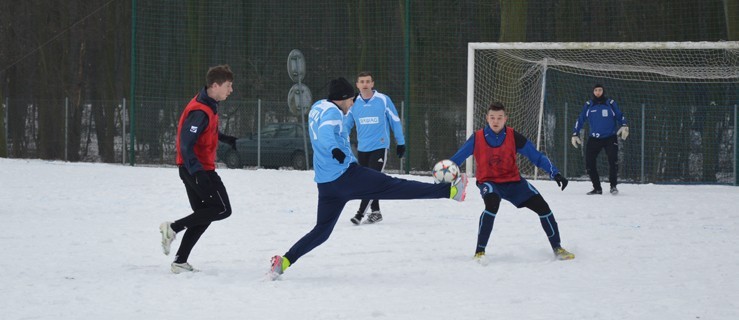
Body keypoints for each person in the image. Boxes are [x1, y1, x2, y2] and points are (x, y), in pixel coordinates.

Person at [268, 77, 468, 280]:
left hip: (326, 184)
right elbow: (326, 133)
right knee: (396, 186)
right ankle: (451, 191)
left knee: (321, 231)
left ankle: (283, 262)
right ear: (344, 98)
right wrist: (335, 149)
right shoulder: (333, 112)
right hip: (347, 176)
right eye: (351, 100)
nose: (353, 104)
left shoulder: (318, 107)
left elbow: (322, 131)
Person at [449, 102, 575, 261]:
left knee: (544, 208)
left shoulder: (513, 136)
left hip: (513, 181)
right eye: (492, 117)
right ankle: (480, 252)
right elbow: (457, 158)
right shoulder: (477, 137)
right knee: (492, 204)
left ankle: (558, 248)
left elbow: (535, 156)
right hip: (489, 182)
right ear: (487, 118)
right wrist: (446, 172)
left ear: (505, 119)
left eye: (499, 118)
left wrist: (555, 173)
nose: (496, 121)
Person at [159, 64, 239, 274]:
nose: (231, 90)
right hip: (197, 169)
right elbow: (186, 144)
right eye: (228, 86)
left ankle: (180, 261)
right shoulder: (200, 110)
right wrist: (198, 173)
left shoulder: (208, 104)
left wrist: (224, 138)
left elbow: (204, 132)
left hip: (194, 169)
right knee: (222, 209)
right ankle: (172, 228)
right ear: (215, 85)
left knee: (205, 214)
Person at [343, 71, 406, 225]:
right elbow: (346, 125)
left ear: (372, 84)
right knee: (368, 182)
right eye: (362, 82)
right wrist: (339, 143)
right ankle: (376, 212)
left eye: (368, 81)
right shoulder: (353, 103)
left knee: (371, 181)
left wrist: (401, 142)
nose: (365, 84)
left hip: (380, 146)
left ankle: (359, 214)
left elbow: (395, 121)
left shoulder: (383, 100)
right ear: (357, 85)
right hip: (363, 148)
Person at [571, 84, 628, 195]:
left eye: (600, 90)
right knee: (589, 163)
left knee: (613, 161)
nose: (598, 92)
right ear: (593, 92)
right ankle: (597, 188)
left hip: (610, 138)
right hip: (594, 139)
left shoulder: (610, 104)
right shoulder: (589, 105)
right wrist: (575, 133)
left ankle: (613, 186)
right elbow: (581, 119)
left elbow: (619, 115)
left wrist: (624, 125)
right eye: (596, 90)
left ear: (603, 91)